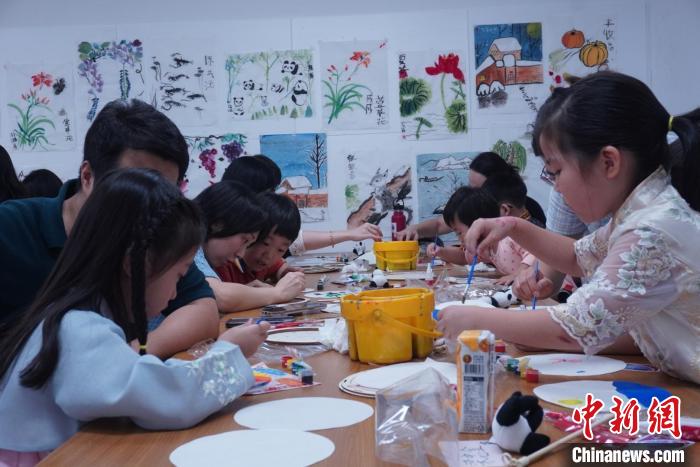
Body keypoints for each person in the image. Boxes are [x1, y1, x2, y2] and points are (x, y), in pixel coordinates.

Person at [438, 71, 700, 384]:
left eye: (556, 171)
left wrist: (479, 318)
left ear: (609, 162)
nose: (557, 187)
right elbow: (576, 256)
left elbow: (578, 326)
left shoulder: (651, 230)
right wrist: (511, 226)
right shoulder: (638, 214)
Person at [0, 169, 269, 462]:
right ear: (134, 264)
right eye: (179, 276)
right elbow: (168, 399)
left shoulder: (80, 314)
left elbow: (140, 380)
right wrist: (229, 353)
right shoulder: (79, 330)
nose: (175, 294)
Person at [0, 99, 219, 358]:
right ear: (87, 176)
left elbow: (202, 308)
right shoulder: (10, 229)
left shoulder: (156, 238)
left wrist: (123, 357)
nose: (153, 206)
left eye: (166, 194)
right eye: (137, 187)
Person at [222, 155, 382, 253]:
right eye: (269, 191)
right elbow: (219, 291)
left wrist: (281, 270)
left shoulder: (244, 228)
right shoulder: (223, 238)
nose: (272, 198)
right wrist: (275, 293)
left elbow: (294, 241)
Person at [193, 181, 306, 311]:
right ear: (218, 225)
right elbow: (221, 296)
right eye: (244, 240)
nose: (240, 254)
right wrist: (278, 293)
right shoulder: (190, 247)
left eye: (248, 243)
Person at [396, 151, 545, 240]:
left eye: (477, 189)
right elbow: (441, 224)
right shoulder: (480, 207)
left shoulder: (523, 215)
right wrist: (414, 229)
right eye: (470, 186)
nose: (472, 194)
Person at [430, 186, 530, 284]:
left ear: (477, 223)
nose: (459, 239)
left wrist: (516, 275)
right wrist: (441, 251)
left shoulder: (508, 237)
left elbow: (534, 256)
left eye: (459, 233)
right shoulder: (486, 247)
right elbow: (464, 257)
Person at [216, 192, 303, 289]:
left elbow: (278, 266)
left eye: (281, 250)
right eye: (265, 243)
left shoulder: (262, 263)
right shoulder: (224, 261)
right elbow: (220, 294)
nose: (269, 256)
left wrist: (284, 273)